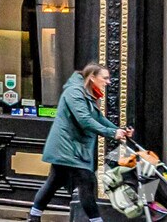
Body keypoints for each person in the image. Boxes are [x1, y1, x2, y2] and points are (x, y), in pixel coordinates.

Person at [30, 62, 132, 222]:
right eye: (105, 78)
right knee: (86, 181)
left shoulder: (86, 92)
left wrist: (120, 131)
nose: (108, 82)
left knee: (54, 182)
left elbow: (98, 118)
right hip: (67, 147)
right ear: (92, 77)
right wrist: (113, 133)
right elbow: (85, 120)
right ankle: (96, 221)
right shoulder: (74, 92)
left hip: (72, 147)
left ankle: (34, 216)